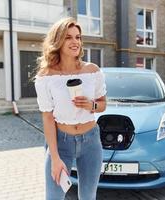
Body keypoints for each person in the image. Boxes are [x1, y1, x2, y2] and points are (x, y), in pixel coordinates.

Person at [34, 17, 106, 200]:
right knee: (54, 197)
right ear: (58, 40)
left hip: (91, 141)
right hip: (61, 142)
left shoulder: (92, 71)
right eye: (68, 37)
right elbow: (48, 117)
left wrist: (92, 105)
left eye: (78, 37)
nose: (75, 42)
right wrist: (55, 158)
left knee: (88, 197)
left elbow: (103, 104)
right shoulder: (46, 76)